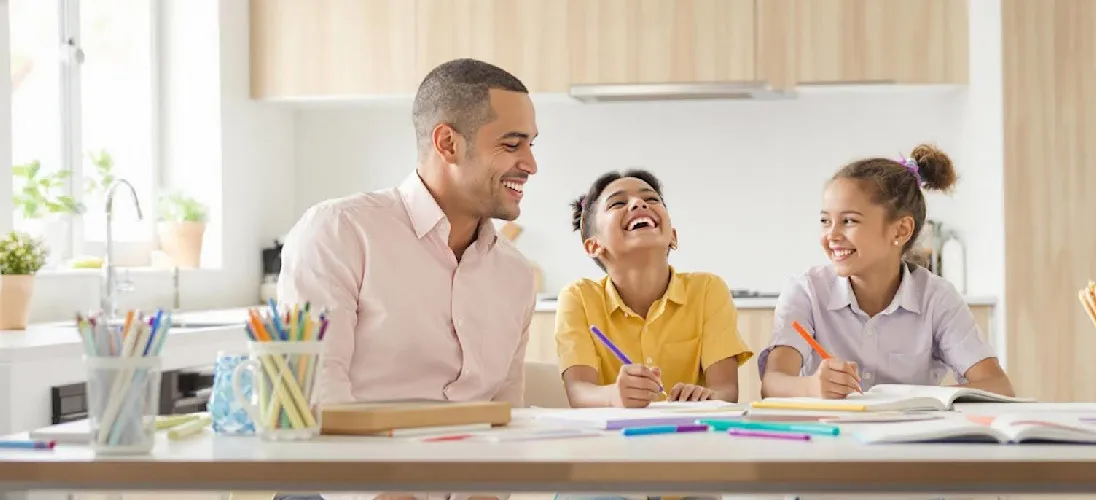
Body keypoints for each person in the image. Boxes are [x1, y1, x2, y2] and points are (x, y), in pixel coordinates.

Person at [276, 58, 539, 500]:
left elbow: (502, 414)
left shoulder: (514, 273)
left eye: (530, 145)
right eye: (512, 145)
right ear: (448, 143)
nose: (530, 164)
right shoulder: (340, 230)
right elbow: (314, 391)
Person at [759, 144, 1015, 400]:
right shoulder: (806, 291)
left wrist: (912, 398)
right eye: (825, 221)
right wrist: (812, 387)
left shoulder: (936, 298)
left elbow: (997, 385)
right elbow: (772, 384)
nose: (832, 236)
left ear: (901, 231)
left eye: (849, 221)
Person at [554, 169, 753, 409]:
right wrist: (613, 396)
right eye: (618, 203)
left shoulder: (709, 289)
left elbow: (727, 391)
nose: (639, 203)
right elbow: (578, 392)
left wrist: (705, 396)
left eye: (651, 199)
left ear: (673, 236)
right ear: (595, 246)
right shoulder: (579, 297)